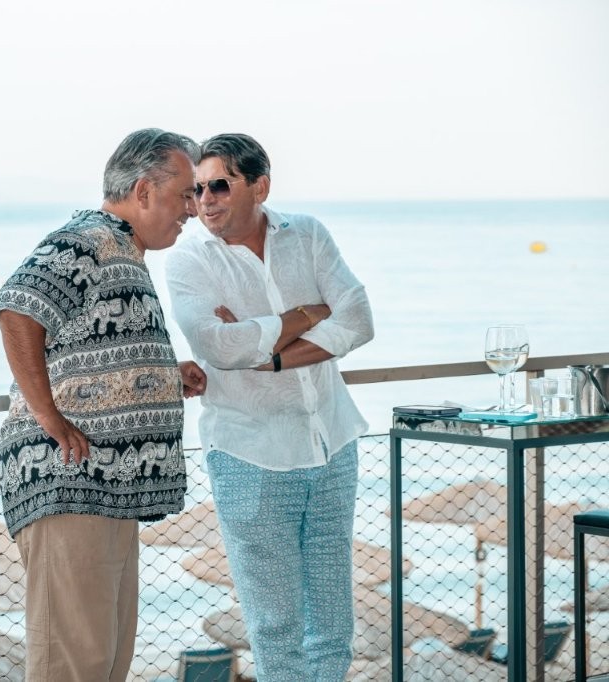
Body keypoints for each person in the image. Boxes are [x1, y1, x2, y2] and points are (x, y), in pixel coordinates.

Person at [0, 128, 207, 682]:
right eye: (185, 193)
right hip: (72, 479)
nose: (193, 208)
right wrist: (49, 418)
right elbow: (17, 310)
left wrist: (165, 377)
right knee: (73, 661)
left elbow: (85, 344)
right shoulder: (87, 239)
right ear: (143, 191)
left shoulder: (121, 250)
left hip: (107, 487)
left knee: (106, 658)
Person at [164, 133, 374, 681]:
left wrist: (270, 355)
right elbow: (219, 348)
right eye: (196, 189)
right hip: (249, 454)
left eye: (219, 185)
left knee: (333, 619)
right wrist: (307, 314)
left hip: (332, 442)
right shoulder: (190, 259)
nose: (204, 200)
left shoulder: (307, 234)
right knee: (276, 624)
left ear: (260, 187)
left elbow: (358, 320)